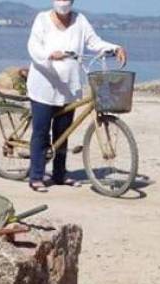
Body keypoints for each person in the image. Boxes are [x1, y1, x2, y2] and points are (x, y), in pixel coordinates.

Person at [25, 0, 126, 192]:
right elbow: (33, 46)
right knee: (41, 131)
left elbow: (94, 42)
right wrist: (49, 55)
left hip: (68, 87)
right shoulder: (42, 20)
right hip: (44, 85)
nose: (63, 3)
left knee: (64, 132)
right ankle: (36, 175)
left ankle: (59, 173)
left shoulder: (80, 20)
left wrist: (115, 47)